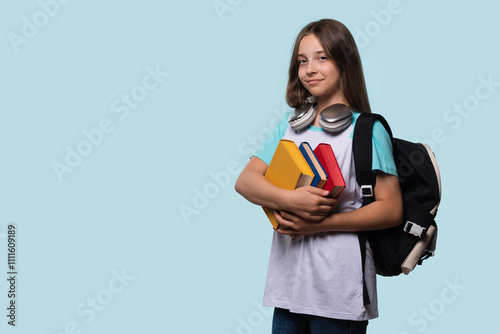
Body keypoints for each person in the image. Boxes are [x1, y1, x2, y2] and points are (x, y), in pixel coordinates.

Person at [235, 18, 403, 334]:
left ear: (344, 62)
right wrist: (289, 199)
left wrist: (320, 224)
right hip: (288, 291)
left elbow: (392, 209)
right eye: (302, 61)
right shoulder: (289, 127)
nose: (310, 68)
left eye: (321, 57)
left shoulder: (367, 130)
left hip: (340, 293)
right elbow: (245, 181)